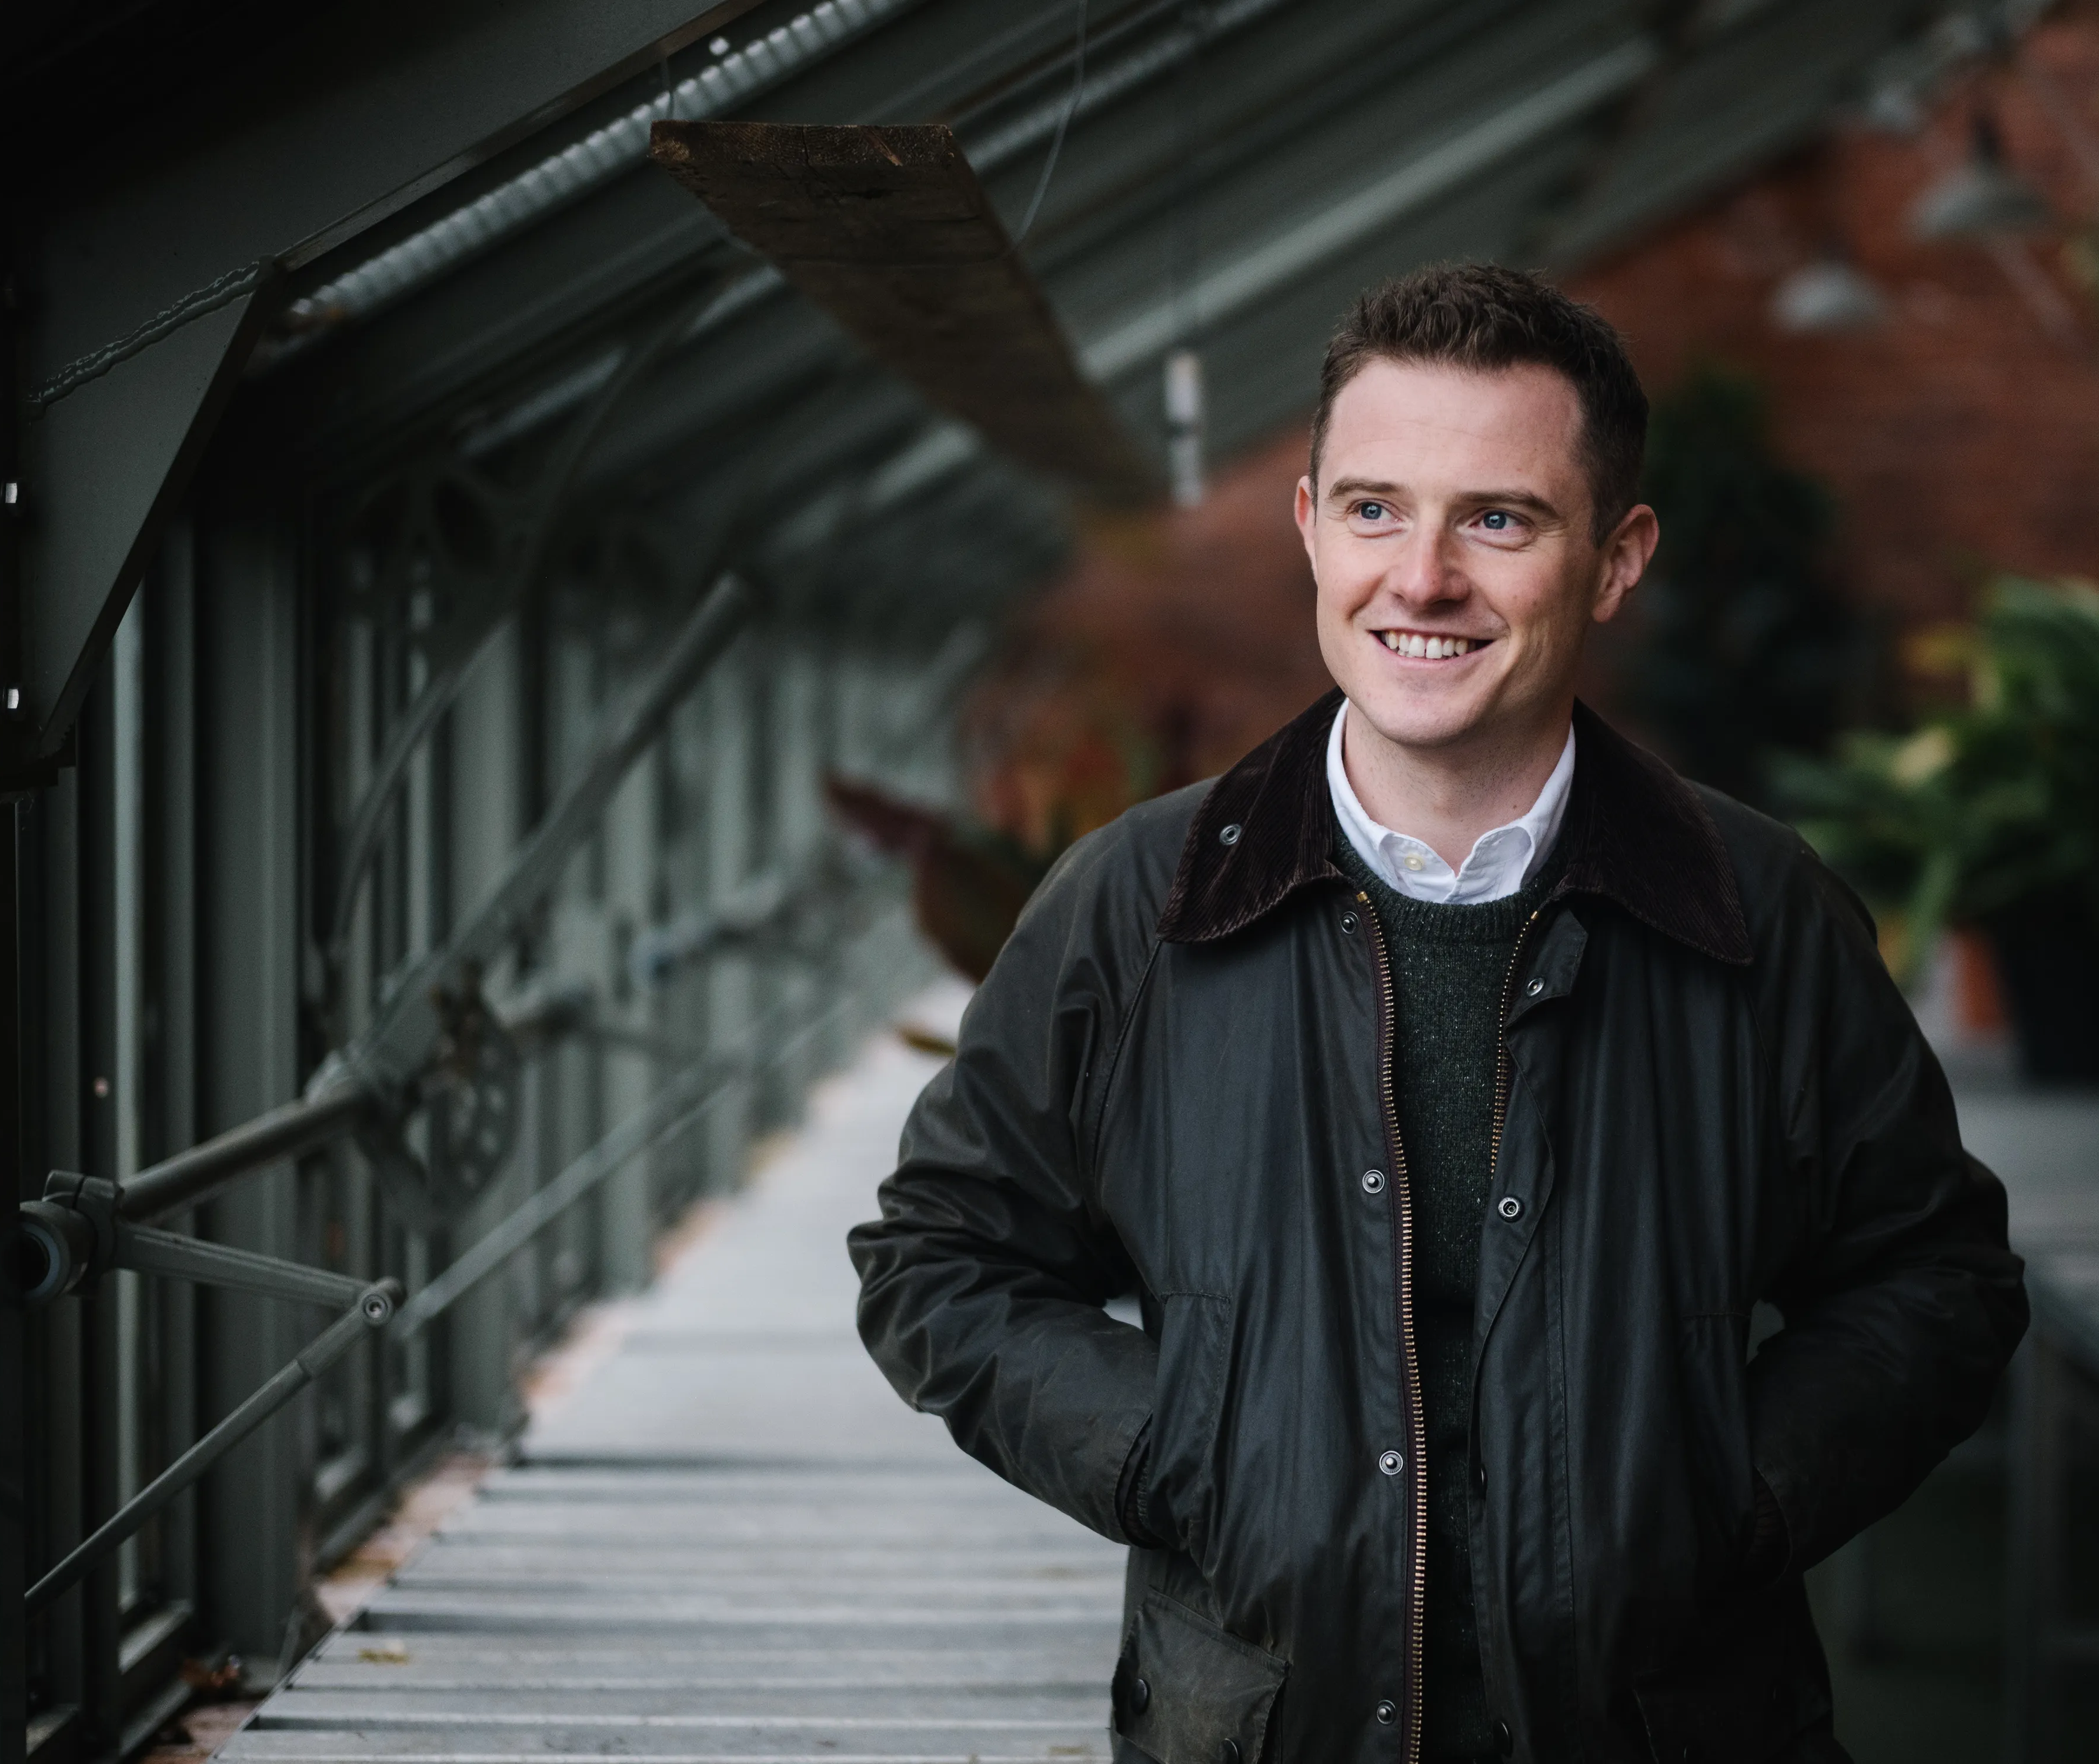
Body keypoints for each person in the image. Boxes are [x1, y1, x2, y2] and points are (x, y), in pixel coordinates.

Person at [850, 262, 2028, 1764]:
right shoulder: (1135, 908)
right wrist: (1191, 1454)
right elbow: (938, 1261)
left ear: (1615, 557)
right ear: (1310, 529)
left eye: (1499, 518)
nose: (1421, 578)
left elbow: (1936, 1279)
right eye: (1375, 508)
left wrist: (1728, 1488)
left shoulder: (1760, 910)